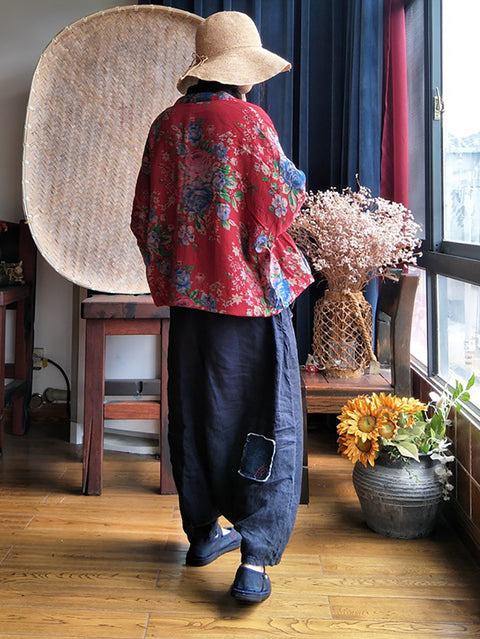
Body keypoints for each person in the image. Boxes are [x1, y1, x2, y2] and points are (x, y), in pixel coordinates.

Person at [131, 10, 313, 604]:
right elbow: (279, 203)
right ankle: (256, 559)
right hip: (251, 306)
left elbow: (145, 216)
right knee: (266, 418)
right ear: (243, 72)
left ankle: (203, 533)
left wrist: (179, 269)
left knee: (194, 412)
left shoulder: (166, 126)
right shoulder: (249, 121)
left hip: (189, 303)